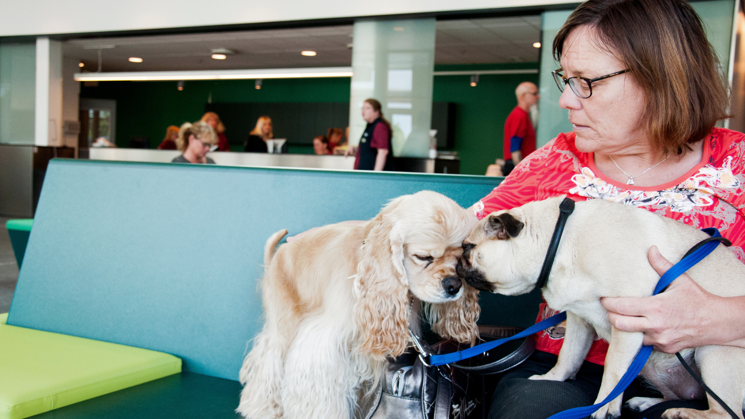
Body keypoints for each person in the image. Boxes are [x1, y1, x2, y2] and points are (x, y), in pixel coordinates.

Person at [464, 1, 745, 418]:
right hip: (567, 371)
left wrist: (720, 317)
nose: (566, 101)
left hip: (706, 371)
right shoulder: (553, 163)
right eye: (566, 79)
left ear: (661, 79)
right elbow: (460, 235)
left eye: (586, 82)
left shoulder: (736, 164)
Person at [498, 81, 540, 177]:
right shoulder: (519, 115)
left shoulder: (523, 115)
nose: (538, 97)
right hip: (516, 168)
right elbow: (515, 149)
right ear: (524, 96)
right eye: (534, 94)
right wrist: (522, 173)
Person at [346, 99, 395, 171]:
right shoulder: (370, 126)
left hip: (372, 176)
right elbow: (370, 149)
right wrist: (354, 149)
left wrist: (375, 175)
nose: (363, 111)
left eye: (367, 108)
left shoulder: (379, 127)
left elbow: (382, 152)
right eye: (362, 108)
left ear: (376, 111)